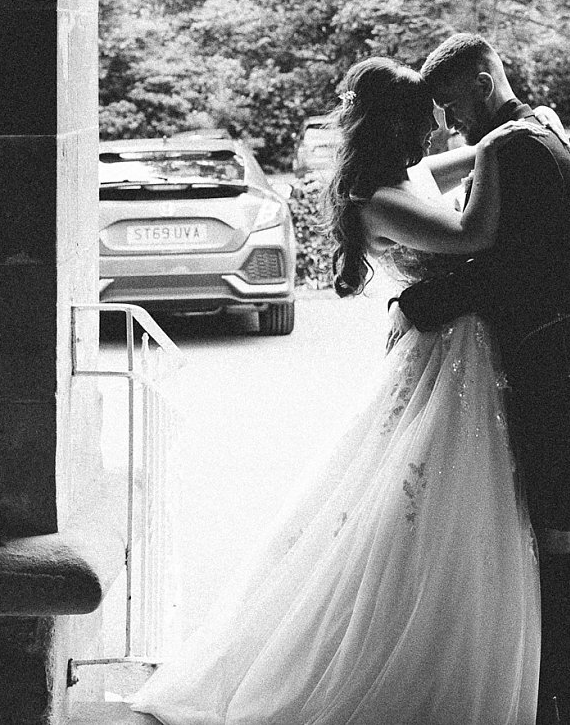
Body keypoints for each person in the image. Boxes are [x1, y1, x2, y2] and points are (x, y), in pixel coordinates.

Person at [128, 57, 544, 725]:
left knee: (450, 510)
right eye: (430, 119)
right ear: (400, 125)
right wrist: (501, 144)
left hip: (463, 354)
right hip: (447, 359)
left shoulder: (399, 178)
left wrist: (505, 138)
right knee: (426, 512)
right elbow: (473, 234)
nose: (442, 130)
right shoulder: (376, 198)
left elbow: (450, 171)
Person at [399, 33, 570, 725]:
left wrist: (422, 302)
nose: (451, 123)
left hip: (546, 341)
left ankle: (559, 688)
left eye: (452, 104)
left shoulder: (507, 146)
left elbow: (512, 265)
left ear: (482, 82)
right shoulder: (544, 127)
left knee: (555, 521)